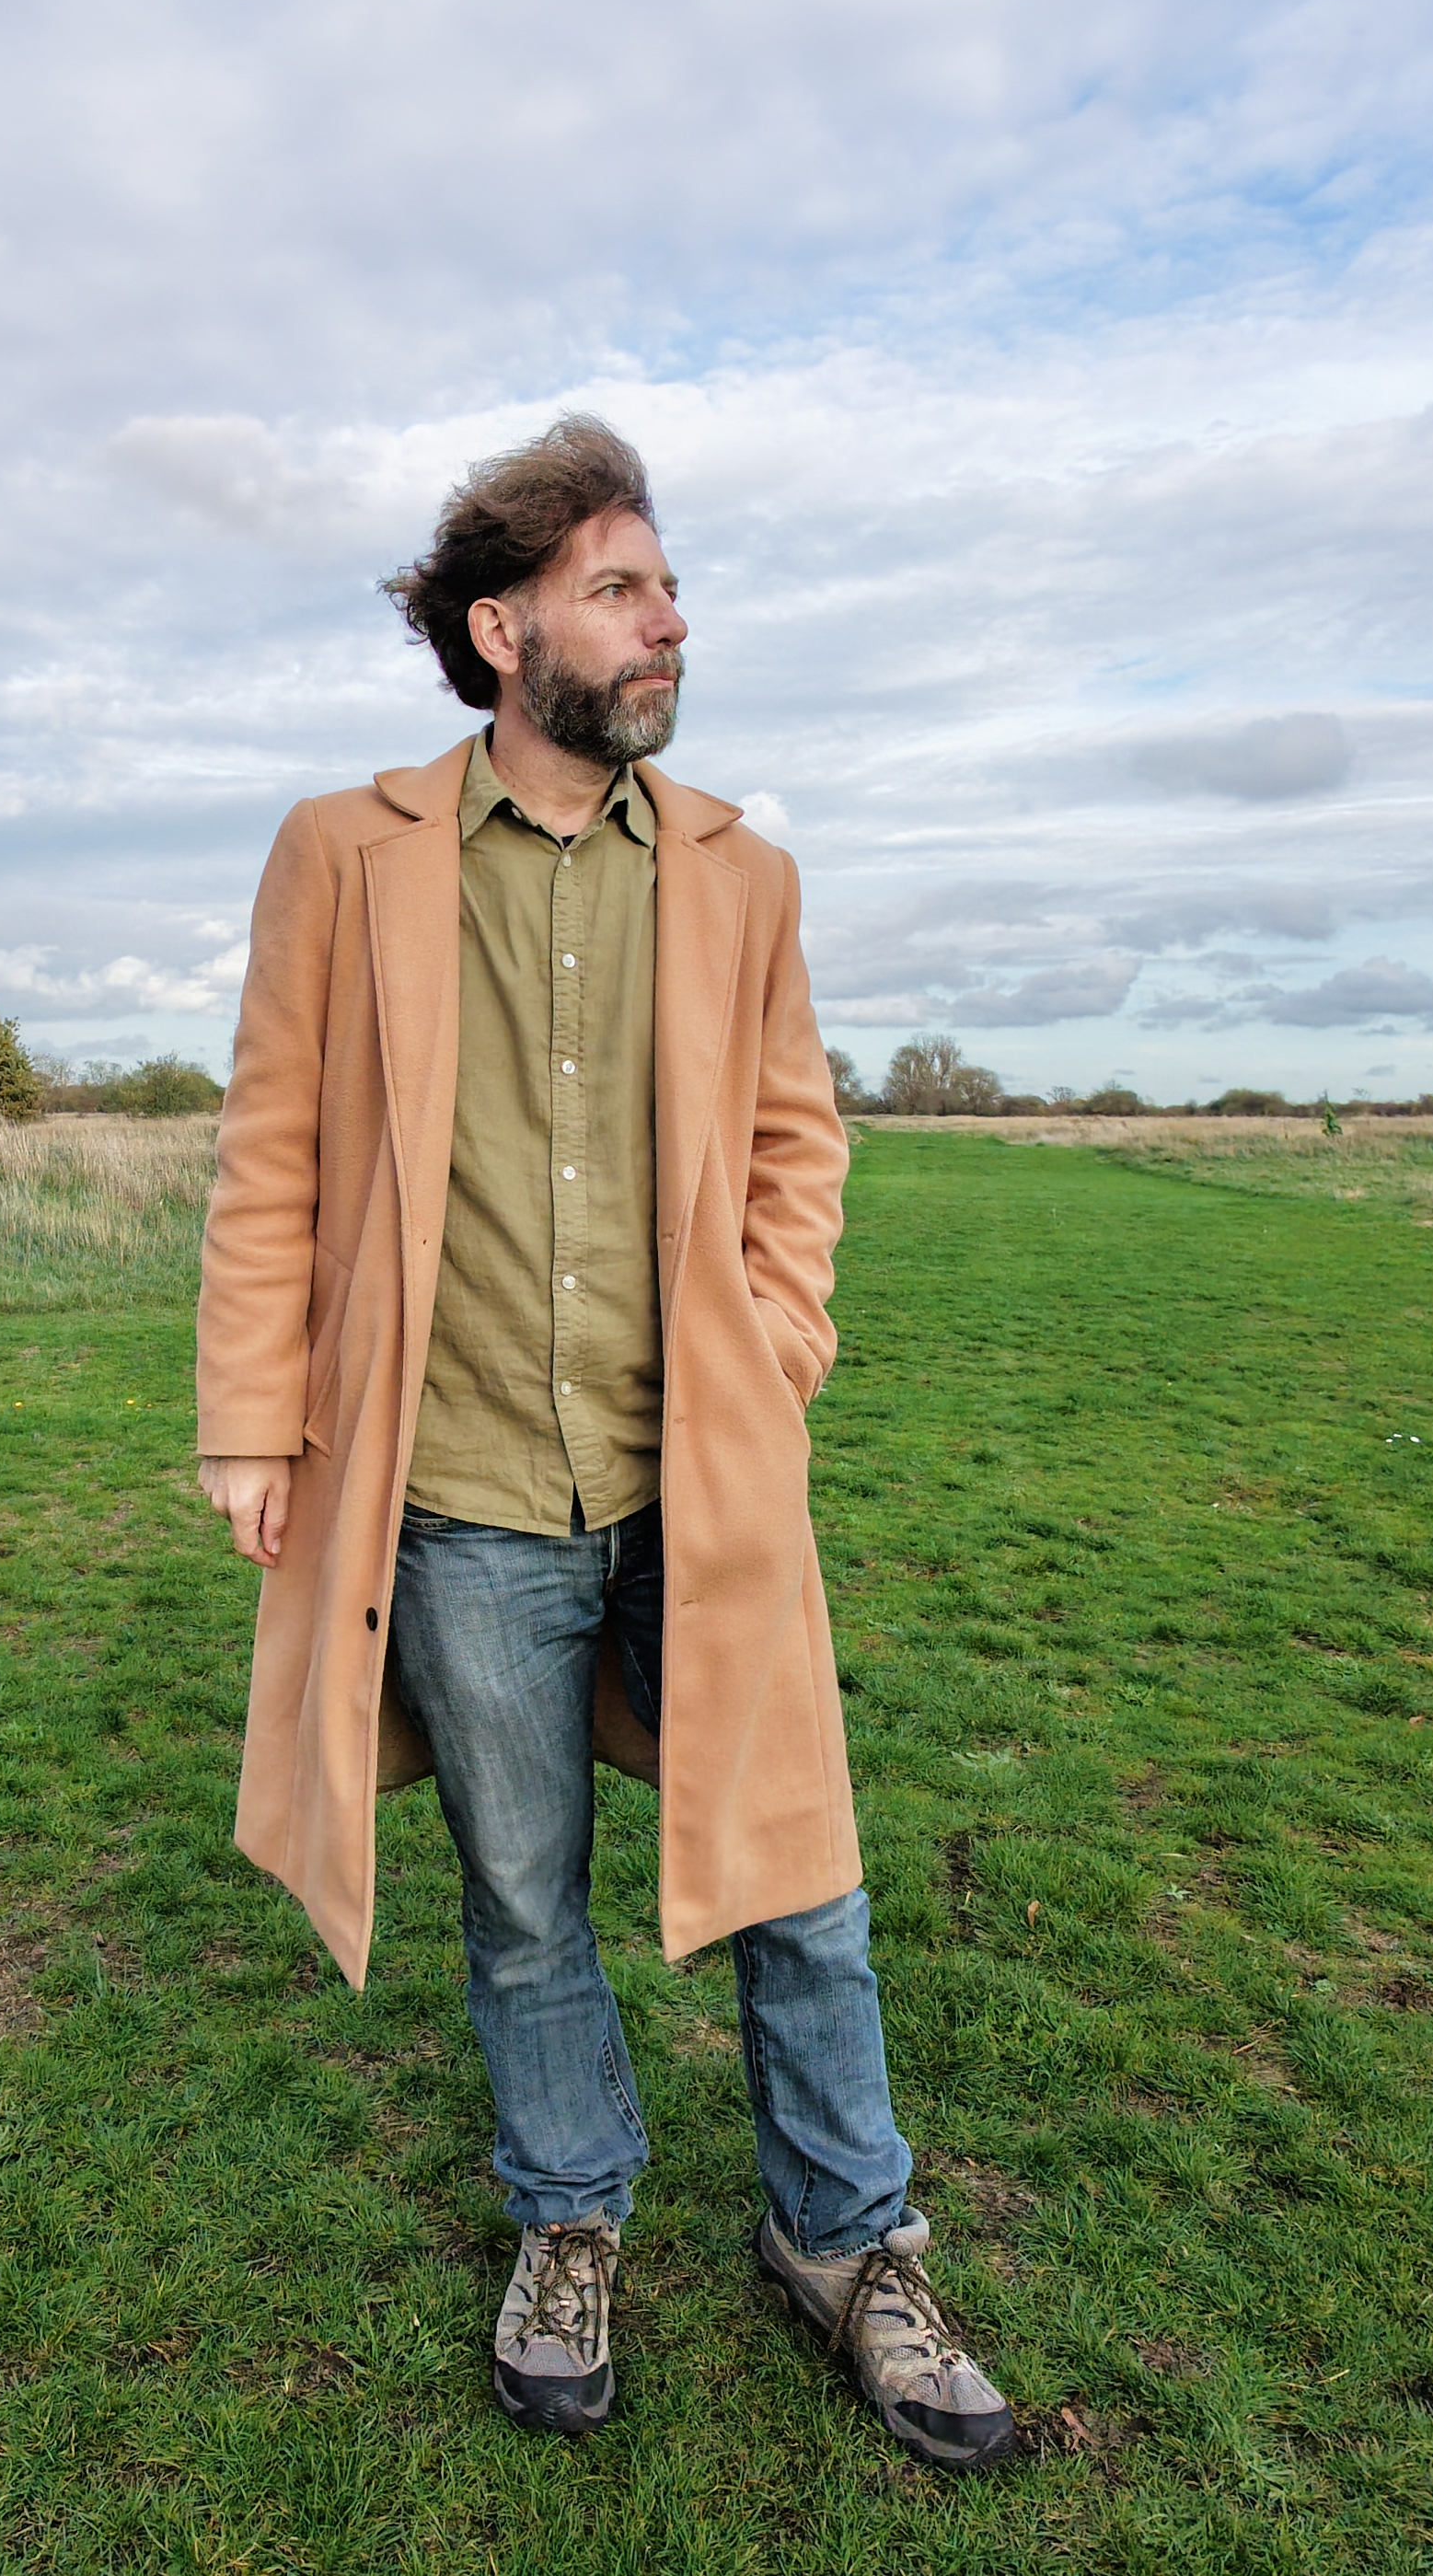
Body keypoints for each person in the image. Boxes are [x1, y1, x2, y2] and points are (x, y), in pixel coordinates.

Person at [191, 416, 1011, 2470]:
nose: (668, 621)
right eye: (623, 588)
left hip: (697, 1481)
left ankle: (847, 2242)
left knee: (797, 1880)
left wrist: (779, 1339)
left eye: (666, 588)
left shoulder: (741, 872)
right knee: (522, 1897)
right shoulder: (342, 849)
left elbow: (793, 1141)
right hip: (455, 1487)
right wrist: (243, 1416)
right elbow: (270, 1142)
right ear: (502, 629)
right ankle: (570, 2221)